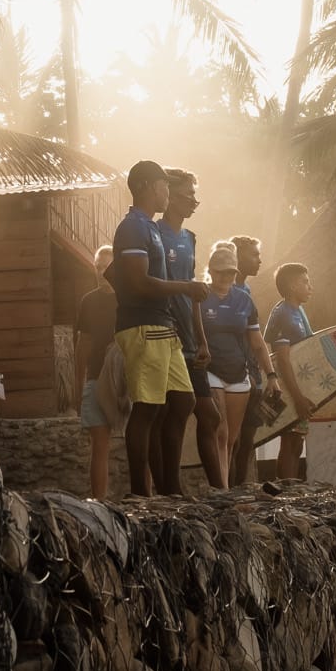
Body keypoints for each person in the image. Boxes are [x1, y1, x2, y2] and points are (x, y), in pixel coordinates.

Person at [112, 159, 210, 496]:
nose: (167, 191)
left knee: (182, 401)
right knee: (148, 407)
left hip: (163, 325)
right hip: (143, 325)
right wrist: (185, 288)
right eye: (164, 185)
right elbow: (137, 282)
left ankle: (171, 488)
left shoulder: (149, 227)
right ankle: (141, 492)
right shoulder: (132, 227)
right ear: (146, 187)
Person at [159, 169, 225, 490]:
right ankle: (170, 488)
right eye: (189, 196)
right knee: (174, 411)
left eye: (195, 197)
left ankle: (219, 489)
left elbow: (194, 293)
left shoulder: (190, 238)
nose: (194, 202)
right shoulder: (154, 234)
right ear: (170, 196)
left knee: (209, 415)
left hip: (190, 335)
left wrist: (202, 340)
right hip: (165, 333)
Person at [201, 241, 279, 481]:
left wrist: (271, 376)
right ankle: (222, 487)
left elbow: (257, 342)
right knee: (221, 431)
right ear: (211, 271)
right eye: (221, 272)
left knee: (233, 439)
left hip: (239, 372)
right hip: (210, 370)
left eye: (230, 272)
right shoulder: (199, 297)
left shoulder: (244, 300)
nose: (226, 277)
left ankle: (228, 486)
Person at [74, 245, 117, 498]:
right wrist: (78, 386)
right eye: (97, 267)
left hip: (127, 379)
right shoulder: (88, 301)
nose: (101, 272)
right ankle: (99, 503)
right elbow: (83, 345)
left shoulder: (129, 299)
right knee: (99, 445)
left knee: (140, 441)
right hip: (96, 376)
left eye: (106, 267)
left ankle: (145, 500)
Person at [264, 262, 313, 481]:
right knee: (289, 440)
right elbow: (282, 360)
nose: (310, 287)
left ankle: (291, 488)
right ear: (293, 286)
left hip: (301, 386)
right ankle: (285, 490)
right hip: (288, 389)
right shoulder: (282, 312)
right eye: (305, 282)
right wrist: (298, 397)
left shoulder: (299, 310)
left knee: (297, 441)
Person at [228, 233, 266, 486]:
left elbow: (254, 336)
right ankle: (229, 488)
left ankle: (241, 487)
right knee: (233, 438)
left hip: (252, 369)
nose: (259, 260)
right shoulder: (226, 290)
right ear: (238, 257)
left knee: (249, 437)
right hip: (234, 371)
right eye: (254, 255)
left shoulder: (247, 290)